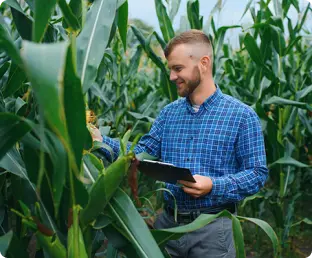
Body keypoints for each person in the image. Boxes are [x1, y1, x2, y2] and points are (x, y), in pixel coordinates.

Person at [91, 29, 268, 258]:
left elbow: (257, 173)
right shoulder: (168, 114)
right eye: (171, 69)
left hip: (213, 230)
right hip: (168, 227)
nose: (172, 76)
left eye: (178, 68)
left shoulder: (241, 116)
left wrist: (214, 185)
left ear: (203, 63)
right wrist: (100, 141)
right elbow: (141, 153)